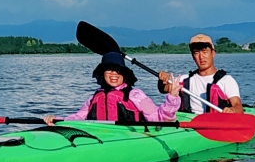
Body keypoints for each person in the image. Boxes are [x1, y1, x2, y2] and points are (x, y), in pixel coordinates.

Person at [45, 51, 178, 124]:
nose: (114, 74)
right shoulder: (94, 97)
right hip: (101, 138)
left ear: (124, 74)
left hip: (130, 139)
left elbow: (160, 118)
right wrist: (59, 120)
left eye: (118, 70)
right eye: (109, 70)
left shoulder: (135, 95)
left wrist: (172, 97)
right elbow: (80, 117)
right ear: (102, 73)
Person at [158, 33, 243, 114]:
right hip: (188, 124)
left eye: (205, 52)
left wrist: (232, 110)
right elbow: (164, 89)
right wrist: (162, 80)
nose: (201, 57)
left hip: (215, 123)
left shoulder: (226, 80)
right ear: (193, 56)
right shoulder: (184, 79)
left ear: (213, 53)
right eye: (196, 53)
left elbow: (238, 106)